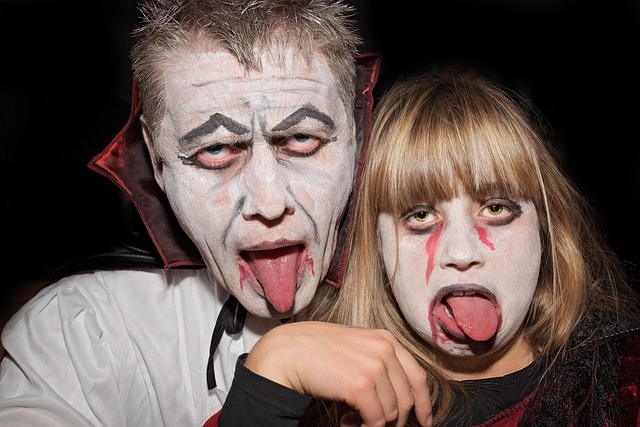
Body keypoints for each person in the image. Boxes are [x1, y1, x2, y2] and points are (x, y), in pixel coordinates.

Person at [0, 1, 432, 426]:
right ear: (155, 158)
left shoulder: (433, 285)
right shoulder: (82, 335)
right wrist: (261, 401)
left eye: (302, 138)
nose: (269, 203)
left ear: (356, 136)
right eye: (215, 149)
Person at [240, 68, 640, 425]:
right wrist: (269, 378)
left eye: (495, 208)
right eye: (420, 216)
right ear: (375, 249)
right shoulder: (320, 408)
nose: (462, 253)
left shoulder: (626, 381)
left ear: (546, 230)